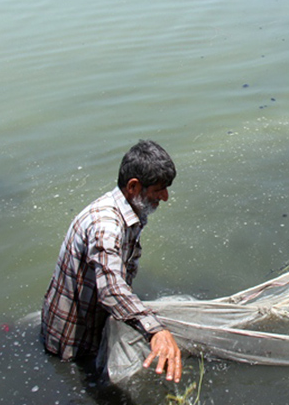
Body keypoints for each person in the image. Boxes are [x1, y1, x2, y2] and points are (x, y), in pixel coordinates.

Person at [41, 140, 183, 382]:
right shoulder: (105, 224)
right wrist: (156, 331)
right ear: (134, 186)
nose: (165, 197)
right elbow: (110, 289)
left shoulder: (129, 209)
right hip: (71, 345)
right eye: (159, 189)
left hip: (93, 326)